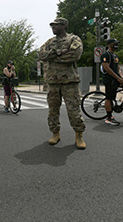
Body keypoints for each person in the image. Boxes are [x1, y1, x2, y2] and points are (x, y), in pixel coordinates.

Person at [38, 17, 86, 150]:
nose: (53, 27)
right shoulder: (49, 42)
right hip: (53, 82)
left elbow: (74, 55)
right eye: (52, 25)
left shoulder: (73, 39)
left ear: (64, 26)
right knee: (53, 110)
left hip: (69, 82)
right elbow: (41, 55)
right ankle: (55, 133)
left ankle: (79, 135)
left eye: (56, 25)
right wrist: (59, 53)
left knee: (74, 110)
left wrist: (52, 56)